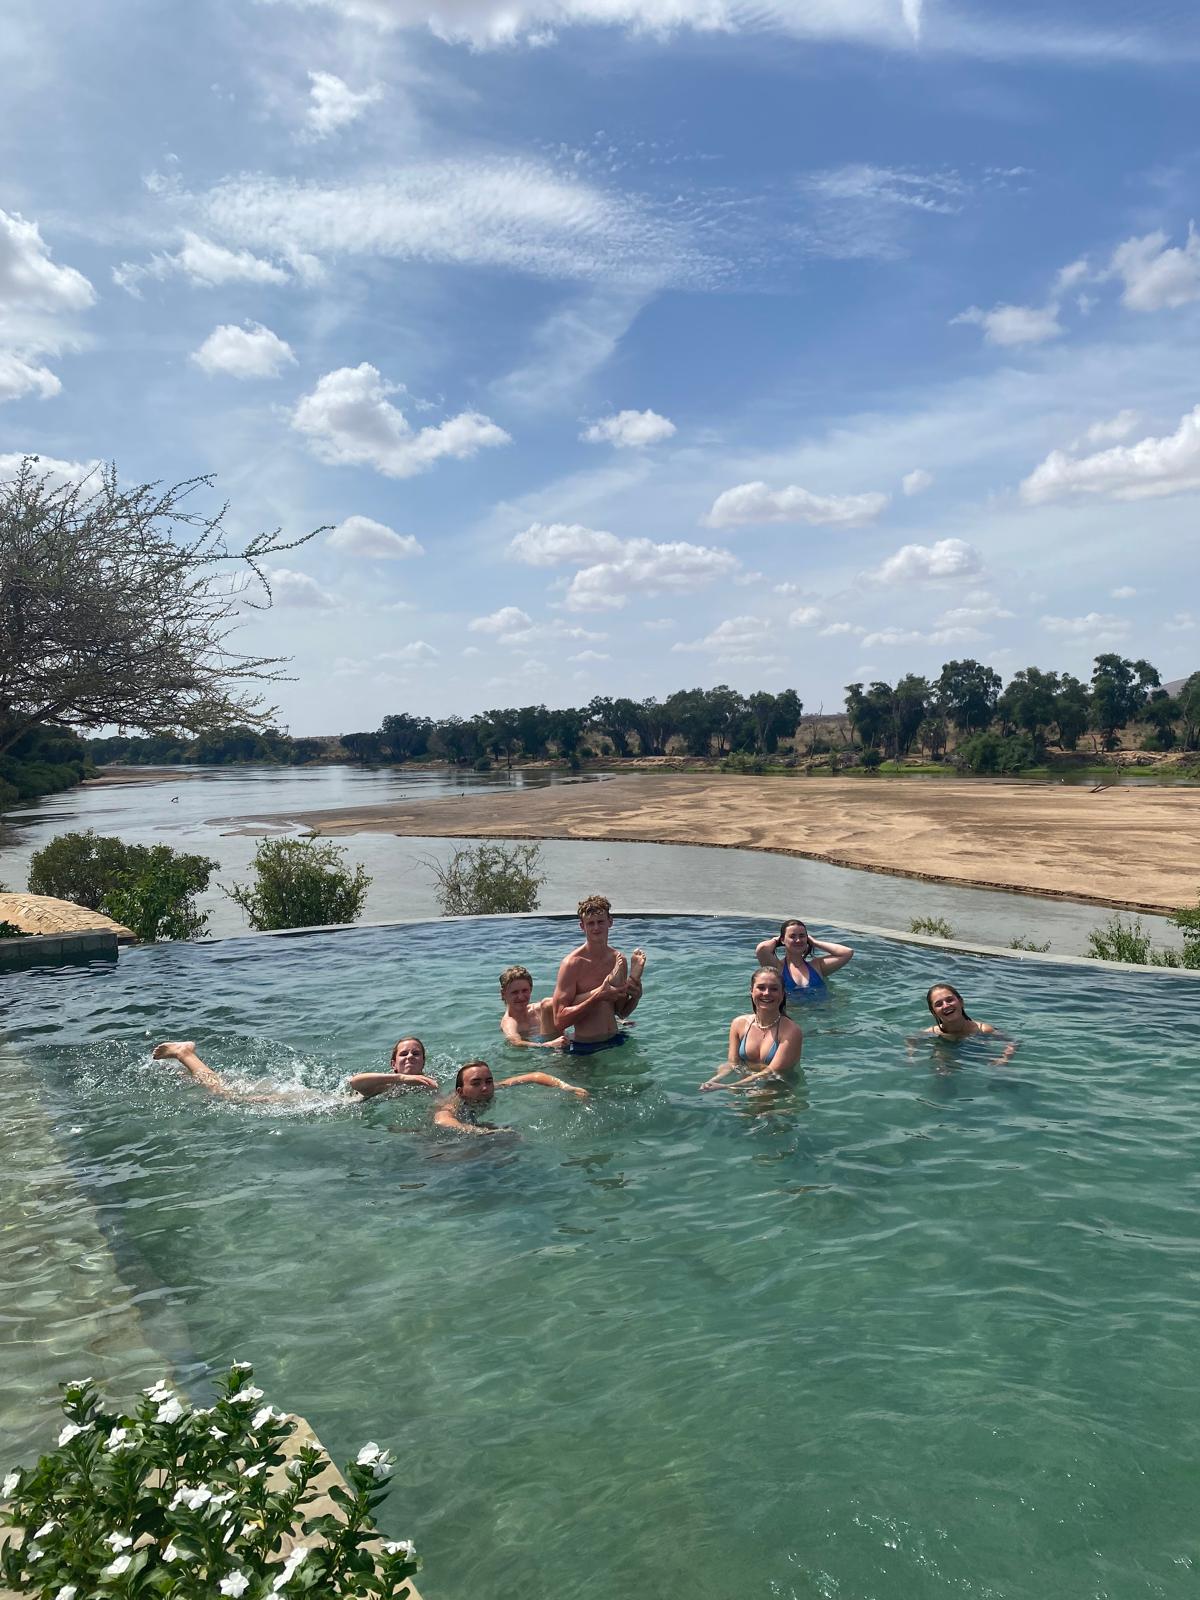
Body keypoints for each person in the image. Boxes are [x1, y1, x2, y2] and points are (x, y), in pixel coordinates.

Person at [151, 1036, 439, 1101]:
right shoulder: (389, 1080)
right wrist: (402, 1079)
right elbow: (354, 1082)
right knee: (226, 1095)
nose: (410, 1057)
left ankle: (187, 1069)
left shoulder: (426, 1084)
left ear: (424, 1062)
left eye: (416, 1054)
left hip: (314, 1099)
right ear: (393, 1063)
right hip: (311, 1101)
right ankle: (185, 1053)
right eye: (404, 1053)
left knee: (229, 1088)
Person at [552, 894, 646, 1054]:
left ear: (610, 922)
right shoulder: (572, 964)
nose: (596, 928)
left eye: (600, 922)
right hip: (586, 1046)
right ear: (582, 926)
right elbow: (559, 1021)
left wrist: (636, 997)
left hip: (616, 1038)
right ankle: (613, 985)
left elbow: (621, 1011)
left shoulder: (618, 959)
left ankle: (632, 980)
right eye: (591, 923)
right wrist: (598, 996)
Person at [699, 968, 804, 1092]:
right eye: (761, 988)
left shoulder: (791, 1031)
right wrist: (713, 1081)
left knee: (763, 1098)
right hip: (746, 1083)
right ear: (751, 991)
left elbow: (771, 1071)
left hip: (780, 1088)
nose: (766, 993)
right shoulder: (738, 1024)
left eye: (774, 989)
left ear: (782, 994)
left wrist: (727, 1086)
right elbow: (733, 1064)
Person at [434, 1059, 589, 1135]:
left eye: (489, 1081)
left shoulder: (495, 1087)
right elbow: (442, 1120)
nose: (485, 1087)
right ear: (460, 1091)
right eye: (476, 1083)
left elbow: (534, 1076)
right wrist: (484, 1131)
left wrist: (566, 1087)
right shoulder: (453, 1105)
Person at [755, 918, 853, 1000]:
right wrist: (777, 940)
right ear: (782, 940)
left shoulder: (817, 966)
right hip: (793, 1015)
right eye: (792, 936)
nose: (798, 940)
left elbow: (847, 952)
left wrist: (815, 942)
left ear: (807, 939)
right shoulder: (777, 968)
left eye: (802, 936)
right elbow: (762, 948)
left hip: (823, 1014)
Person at [918, 984, 1017, 1064]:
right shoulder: (932, 1032)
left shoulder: (982, 1029)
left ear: (961, 1002)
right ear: (933, 1012)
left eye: (950, 1000)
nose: (946, 1006)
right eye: (939, 1004)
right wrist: (911, 1056)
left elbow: (1013, 1041)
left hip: (980, 1060)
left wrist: (1004, 1059)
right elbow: (912, 1040)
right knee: (940, 1064)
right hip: (950, 1063)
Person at [498, 965, 565, 1049]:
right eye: (515, 992)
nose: (521, 997)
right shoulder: (509, 1022)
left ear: (531, 989)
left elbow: (562, 1001)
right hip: (541, 1051)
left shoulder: (538, 1010)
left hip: (561, 1044)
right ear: (503, 994)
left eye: (524, 990)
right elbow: (516, 1042)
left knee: (547, 1004)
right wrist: (548, 1045)